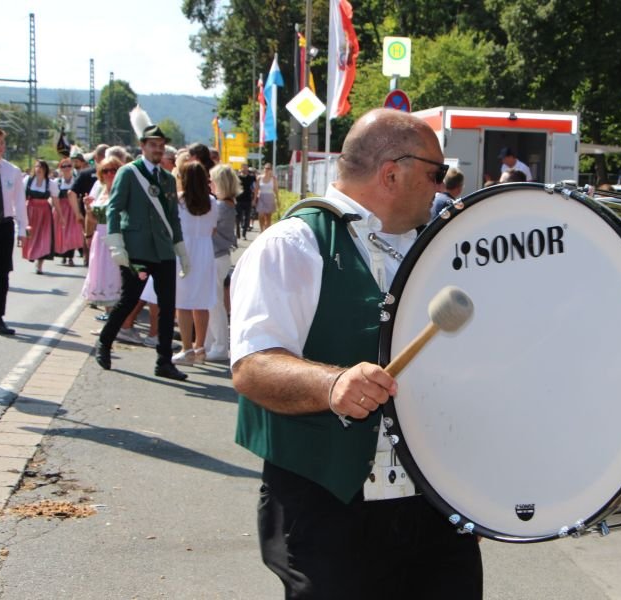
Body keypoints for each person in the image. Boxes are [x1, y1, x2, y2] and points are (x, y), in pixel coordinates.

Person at [231, 109, 482, 599]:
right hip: (328, 502)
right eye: (435, 173)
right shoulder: (292, 244)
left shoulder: (437, 246)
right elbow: (252, 366)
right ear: (391, 173)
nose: (442, 186)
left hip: (433, 502)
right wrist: (333, 383)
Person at [95, 124, 190, 381]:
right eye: (153, 145)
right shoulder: (129, 173)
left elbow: (173, 217)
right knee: (129, 300)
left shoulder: (167, 178)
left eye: (161, 145)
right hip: (136, 248)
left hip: (163, 250)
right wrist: (116, 243)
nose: (158, 149)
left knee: (167, 305)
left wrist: (181, 249)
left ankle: (164, 361)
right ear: (143, 146)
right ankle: (105, 342)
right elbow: (114, 208)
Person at [170, 161, 218, 366]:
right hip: (205, 251)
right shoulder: (212, 202)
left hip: (184, 250)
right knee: (201, 301)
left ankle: (187, 348)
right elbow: (213, 228)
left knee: (183, 302)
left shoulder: (179, 201)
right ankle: (200, 347)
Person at [0, 128, 29, 335]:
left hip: (5, 225)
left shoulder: (12, 171)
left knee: (2, 274)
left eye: (2, 143)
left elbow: (19, 202)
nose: (1, 147)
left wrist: (22, 229)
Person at [203, 163, 238, 362]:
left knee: (214, 304)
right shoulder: (227, 204)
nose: (210, 184)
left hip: (216, 257)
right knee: (213, 303)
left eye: (212, 181)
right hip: (220, 257)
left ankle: (219, 346)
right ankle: (212, 344)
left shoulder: (220, 206)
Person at [80, 157, 123, 313]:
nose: (109, 174)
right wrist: (88, 208)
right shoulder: (100, 190)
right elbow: (94, 219)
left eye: (113, 170)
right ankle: (108, 314)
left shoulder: (123, 190)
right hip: (100, 237)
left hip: (116, 236)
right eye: (105, 171)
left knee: (114, 275)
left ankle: (117, 318)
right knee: (101, 275)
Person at [22, 159, 61, 275]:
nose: (38, 169)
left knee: (44, 237)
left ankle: (39, 264)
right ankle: (32, 253)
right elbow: (22, 197)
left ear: (45, 170)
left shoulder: (50, 183)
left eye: (41, 167)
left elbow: (55, 200)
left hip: (44, 212)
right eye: (37, 167)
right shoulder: (28, 180)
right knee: (31, 235)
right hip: (30, 211)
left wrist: (61, 215)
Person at [53, 158, 85, 266]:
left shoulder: (76, 180)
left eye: (69, 166)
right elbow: (54, 198)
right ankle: (63, 254)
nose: (66, 168)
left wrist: (79, 210)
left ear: (72, 167)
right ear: (60, 168)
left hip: (73, 208)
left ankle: (70, 257)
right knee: (62, 233)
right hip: (61, 209)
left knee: (72, 233)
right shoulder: (57, 182)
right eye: (64, 166)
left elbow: (79, 196)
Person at [254, 163, 278, 233]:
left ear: (271, 170)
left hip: (270, 198)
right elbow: (256, 189)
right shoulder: (259, 178)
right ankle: (261, 230)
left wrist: (278, 200)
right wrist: (254, 200)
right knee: (260, 215)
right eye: (265, 168)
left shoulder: (273, 178)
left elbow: (276, 189)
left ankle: (267, 231)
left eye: (268, 168)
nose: (266, 170)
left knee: (268, 217)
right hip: (261, 197)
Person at [235, 164, 256, 239]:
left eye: (246, 168)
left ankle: (244, 233)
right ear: (241, 169)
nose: (244, 169)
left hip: (248, 200)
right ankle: (237, 229)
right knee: (238, 217)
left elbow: (255, 187)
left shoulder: (251, 178)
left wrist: (254, 199)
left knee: (247, 217)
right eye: (243, 168)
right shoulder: (237, 177)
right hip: (238, 200)